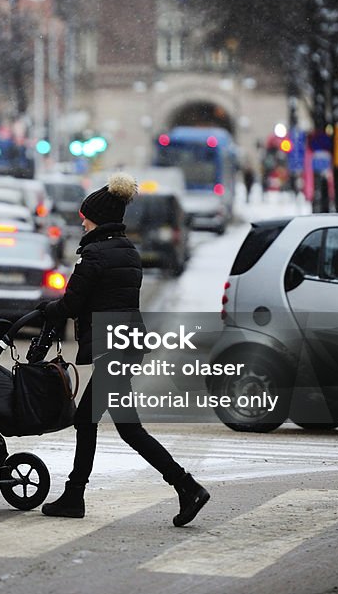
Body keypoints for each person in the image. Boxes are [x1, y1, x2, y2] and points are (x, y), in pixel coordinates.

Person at [36, 172, 210, 526]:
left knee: (114, 426)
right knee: (96, 422)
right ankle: (76, 495)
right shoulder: (126, 250)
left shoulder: (95, 255)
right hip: (123, 346)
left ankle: (185, 486)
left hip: (112, 350)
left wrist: (44, 310)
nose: (81, 220)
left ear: (96, 217)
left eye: (85, 215)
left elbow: (71, 303)